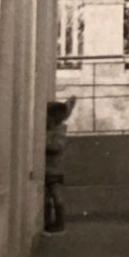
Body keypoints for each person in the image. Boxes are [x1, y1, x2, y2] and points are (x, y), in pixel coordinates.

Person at [43, 96, 76, 234]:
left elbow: (56, 147)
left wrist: (44, 140)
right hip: (49, 169)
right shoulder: (54, 130)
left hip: (54, 170)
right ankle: (50, 223)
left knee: (56, 197)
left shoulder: (58, 132)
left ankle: (59, 224)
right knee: (47, 198)